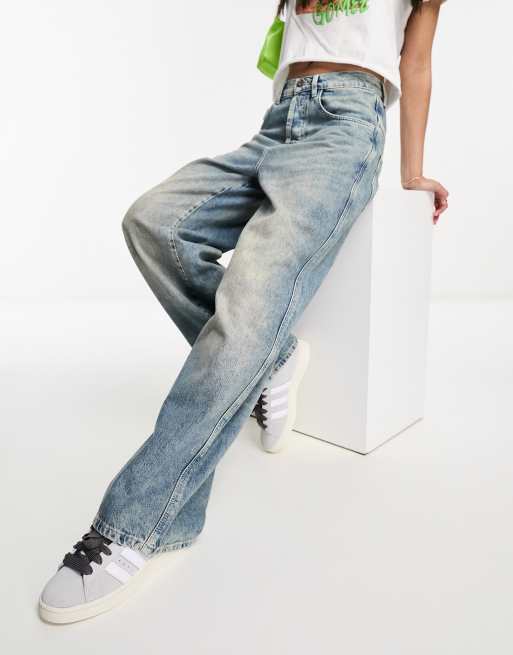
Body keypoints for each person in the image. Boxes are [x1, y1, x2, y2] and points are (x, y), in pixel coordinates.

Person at [39, 0, 449, 624]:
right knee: (154, 223)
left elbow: (415, 62)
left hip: (345, 129)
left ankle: (137, 525)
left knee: (248, 304)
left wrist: (412, 173)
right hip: (280, 121)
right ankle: (272, 360)